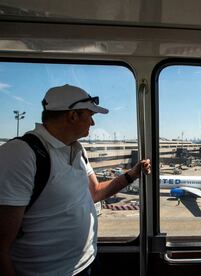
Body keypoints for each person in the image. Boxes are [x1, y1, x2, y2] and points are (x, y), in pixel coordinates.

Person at [0, 84, 151, 276]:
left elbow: (95, 192)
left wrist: (132, 174)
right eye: (91, 116)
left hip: (88, 262)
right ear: (73, 116)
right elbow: (1, 247)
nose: (93, 124)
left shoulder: (78, 150)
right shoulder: (21, 154)